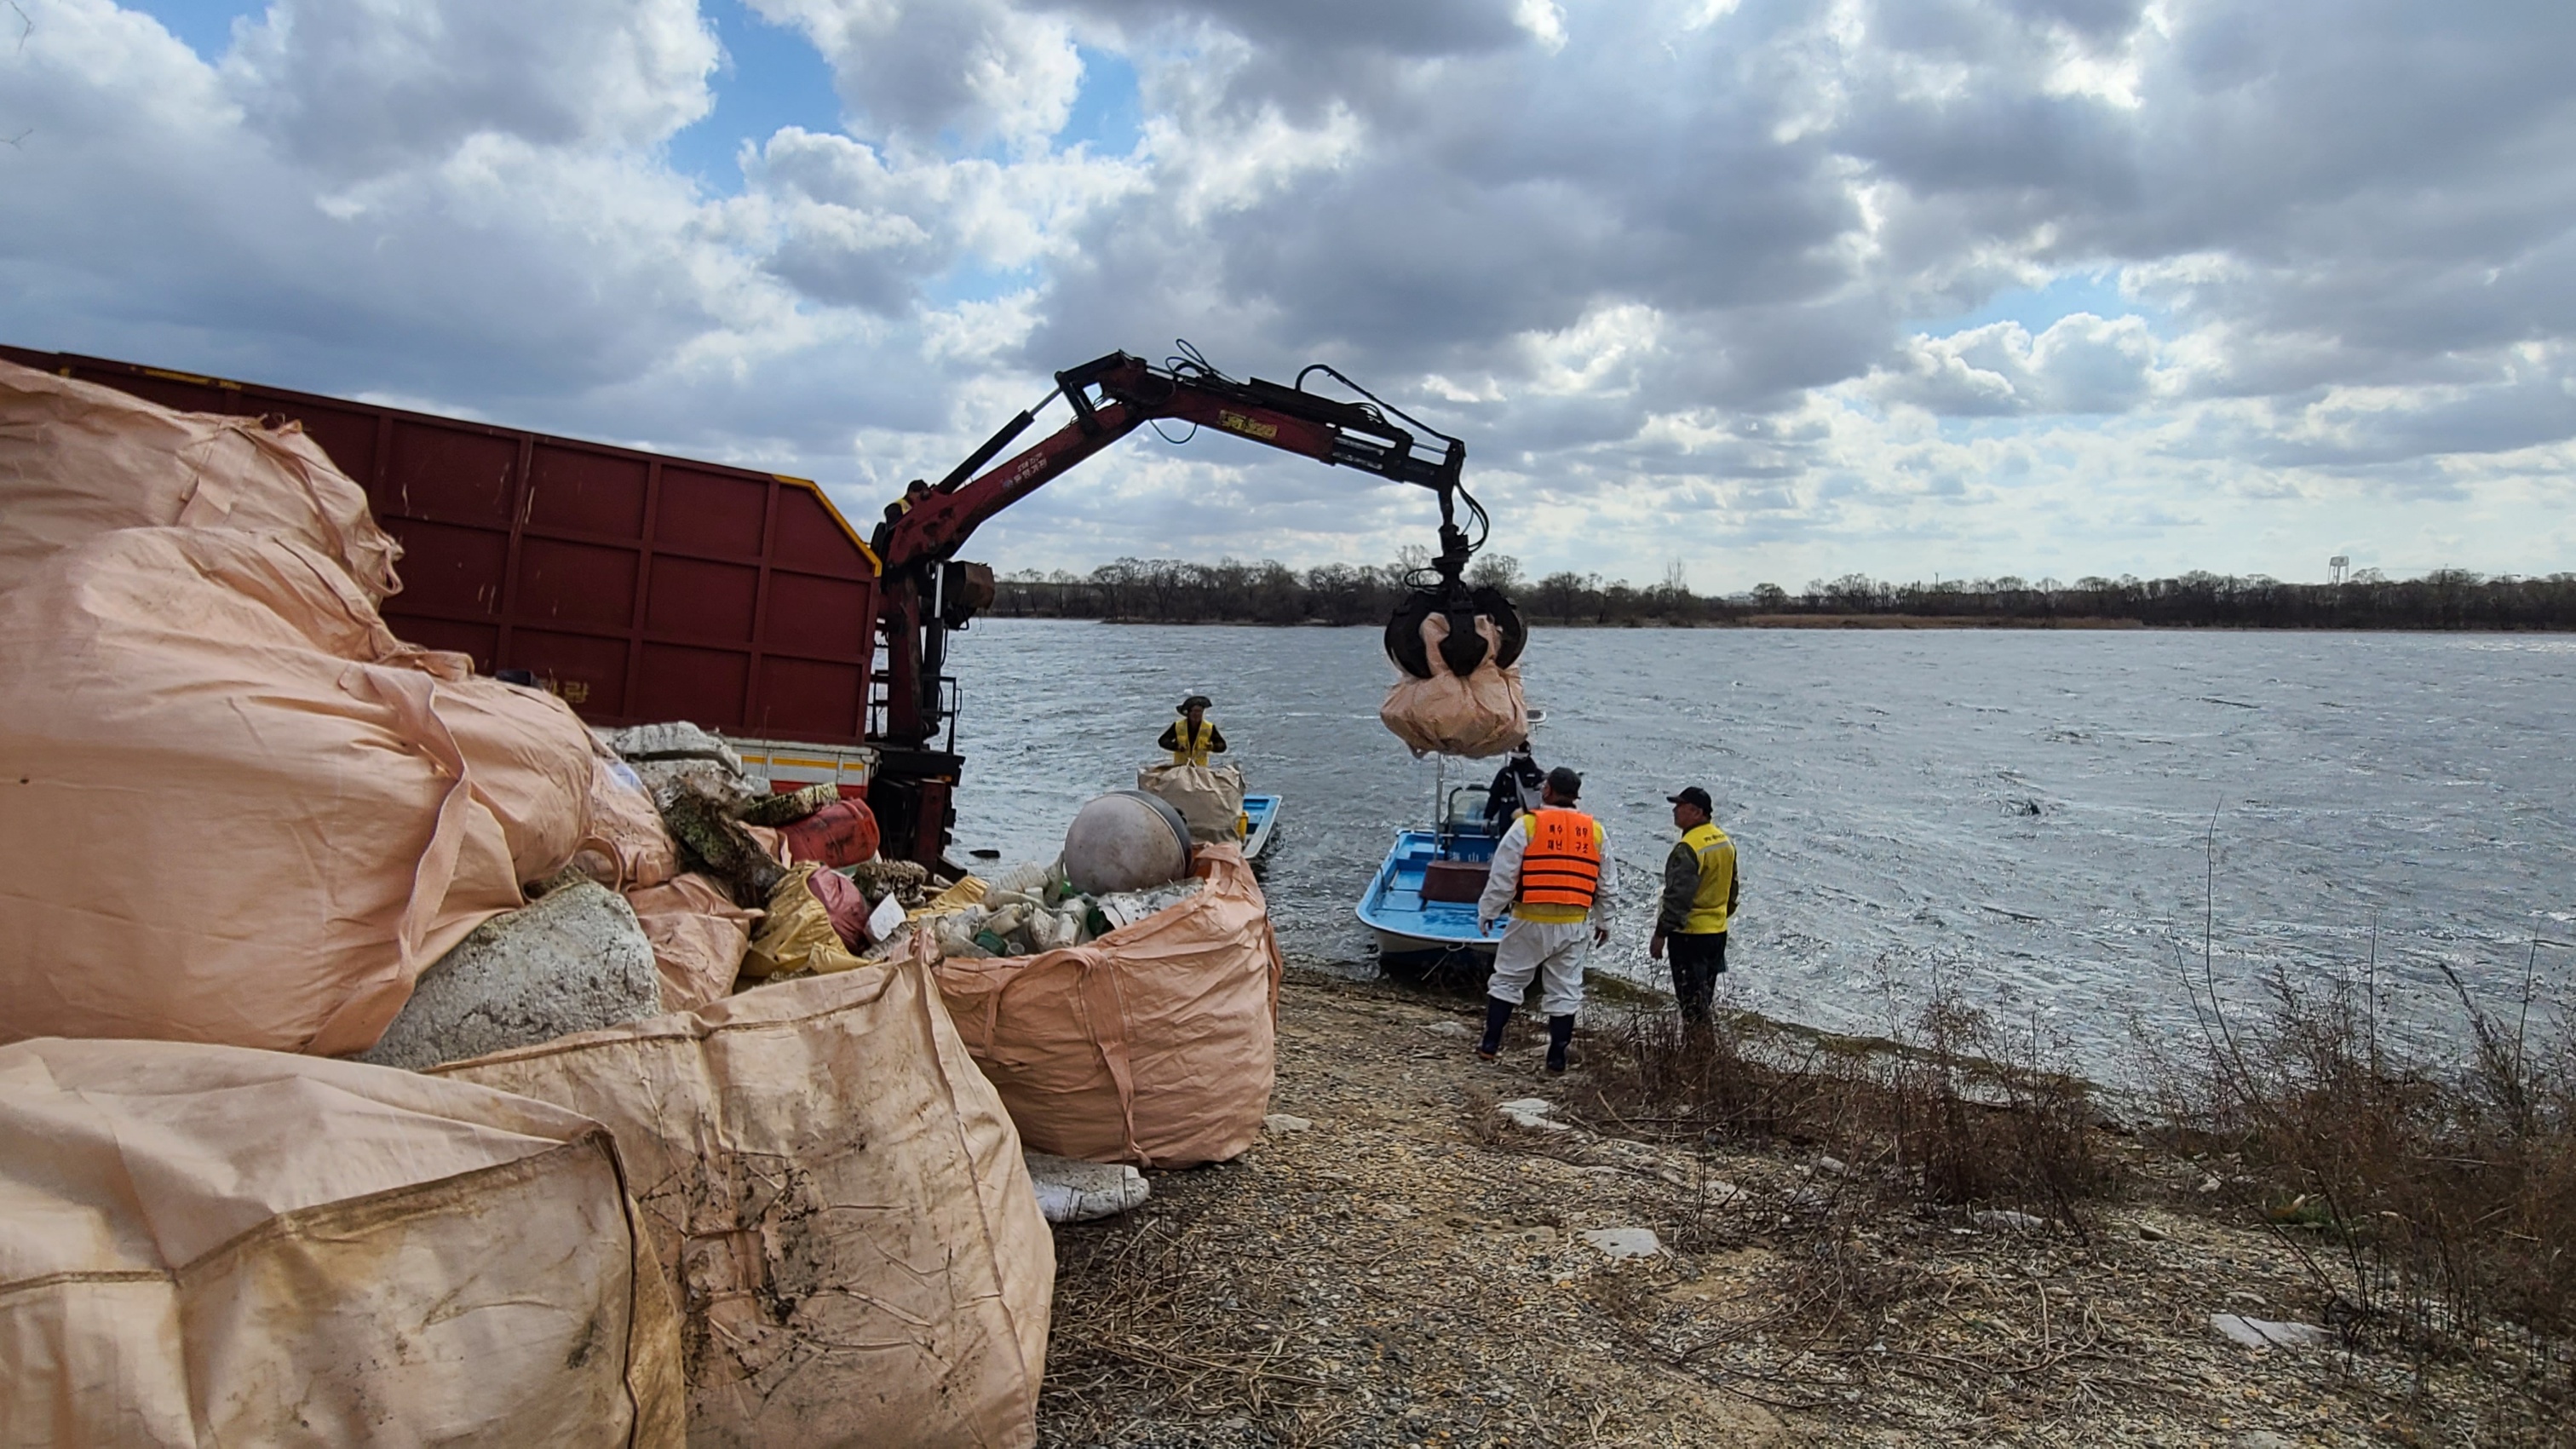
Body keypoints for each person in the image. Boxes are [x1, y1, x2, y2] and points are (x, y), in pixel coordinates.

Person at [1475, 766, 1613, 1073]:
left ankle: (1490, 1045)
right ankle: (1556, 1058)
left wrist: (1488, 912)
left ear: (1547, 791)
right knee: (1565, 990)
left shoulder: (1527, 825)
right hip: (1574, 923)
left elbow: (1503, 877)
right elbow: (1606, 884)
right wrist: (1605, 921)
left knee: (1508, 979)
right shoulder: (1595, 831)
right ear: (1576, 796)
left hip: (1529, 918)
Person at [1649, 785, 1738, 1023]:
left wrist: (1661, 933)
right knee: (1703, 1000)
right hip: (1717, 933)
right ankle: (1702, 1052)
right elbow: (1732, 889)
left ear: (1697, 812)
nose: (1675, 811)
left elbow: (1678, 896)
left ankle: (1697, 1053)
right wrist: (1721, 915)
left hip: (1690, 935)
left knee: (1691, 1005)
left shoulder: (1689, 847)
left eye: (1680, 806)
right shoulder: (1724, 841)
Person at [1483, 740, 1544, 836]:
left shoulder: (1537, 775)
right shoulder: (1504, 774)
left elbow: (1542, 799)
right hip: (1505, 817)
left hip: (1525, 816)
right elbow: (1494, 797)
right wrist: (1488, 817)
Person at [1158, 694, 1228, 767]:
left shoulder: (1209, 727)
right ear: (1189, 713)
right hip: (1181, 767)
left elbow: (1222, 746)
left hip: (1200, 768)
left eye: (1199, 712)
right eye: (1195, 712)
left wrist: (1213, 747)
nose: (1197, 715)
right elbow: (1163, 741)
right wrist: (1176, 746)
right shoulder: (1178, 726)